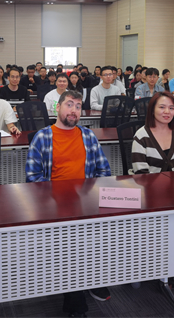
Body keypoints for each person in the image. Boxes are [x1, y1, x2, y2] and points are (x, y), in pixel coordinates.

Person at [26, 90, 112, 314]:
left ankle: (90, 277)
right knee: (72, 242)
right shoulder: (43, 137)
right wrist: (59, 199)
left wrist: (93, 197)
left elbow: (104, 171)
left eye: (78, 106)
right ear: (58, 108)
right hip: (55, 205)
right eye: (69, 104)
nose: (74, 110)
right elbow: (33, 179)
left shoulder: (88, 136)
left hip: (87, 202)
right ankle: (75, 299)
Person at [130, 91, 174, 270]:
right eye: (162, 107)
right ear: (152, 110)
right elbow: (141, 175)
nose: (167, 112)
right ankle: (169, 258)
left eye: (171, 108)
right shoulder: (141, 135)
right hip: (151, 196)